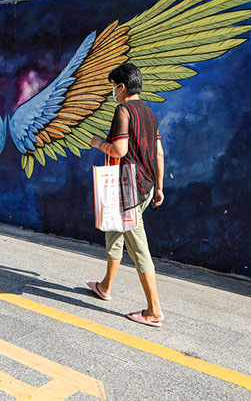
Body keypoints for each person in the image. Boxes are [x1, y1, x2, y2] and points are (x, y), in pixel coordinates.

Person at [87, 62, 166, 327]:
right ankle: (105, 286)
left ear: (121, 87)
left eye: (113, 87)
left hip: (127, 188)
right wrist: (160, 187)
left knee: (138, 248)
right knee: (114, 233)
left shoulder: (124, 110)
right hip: (145, 186)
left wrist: (98, 143)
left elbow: (119, 151)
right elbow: (159, 153)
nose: (113, 92)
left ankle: (154, 310)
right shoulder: (150, 113)